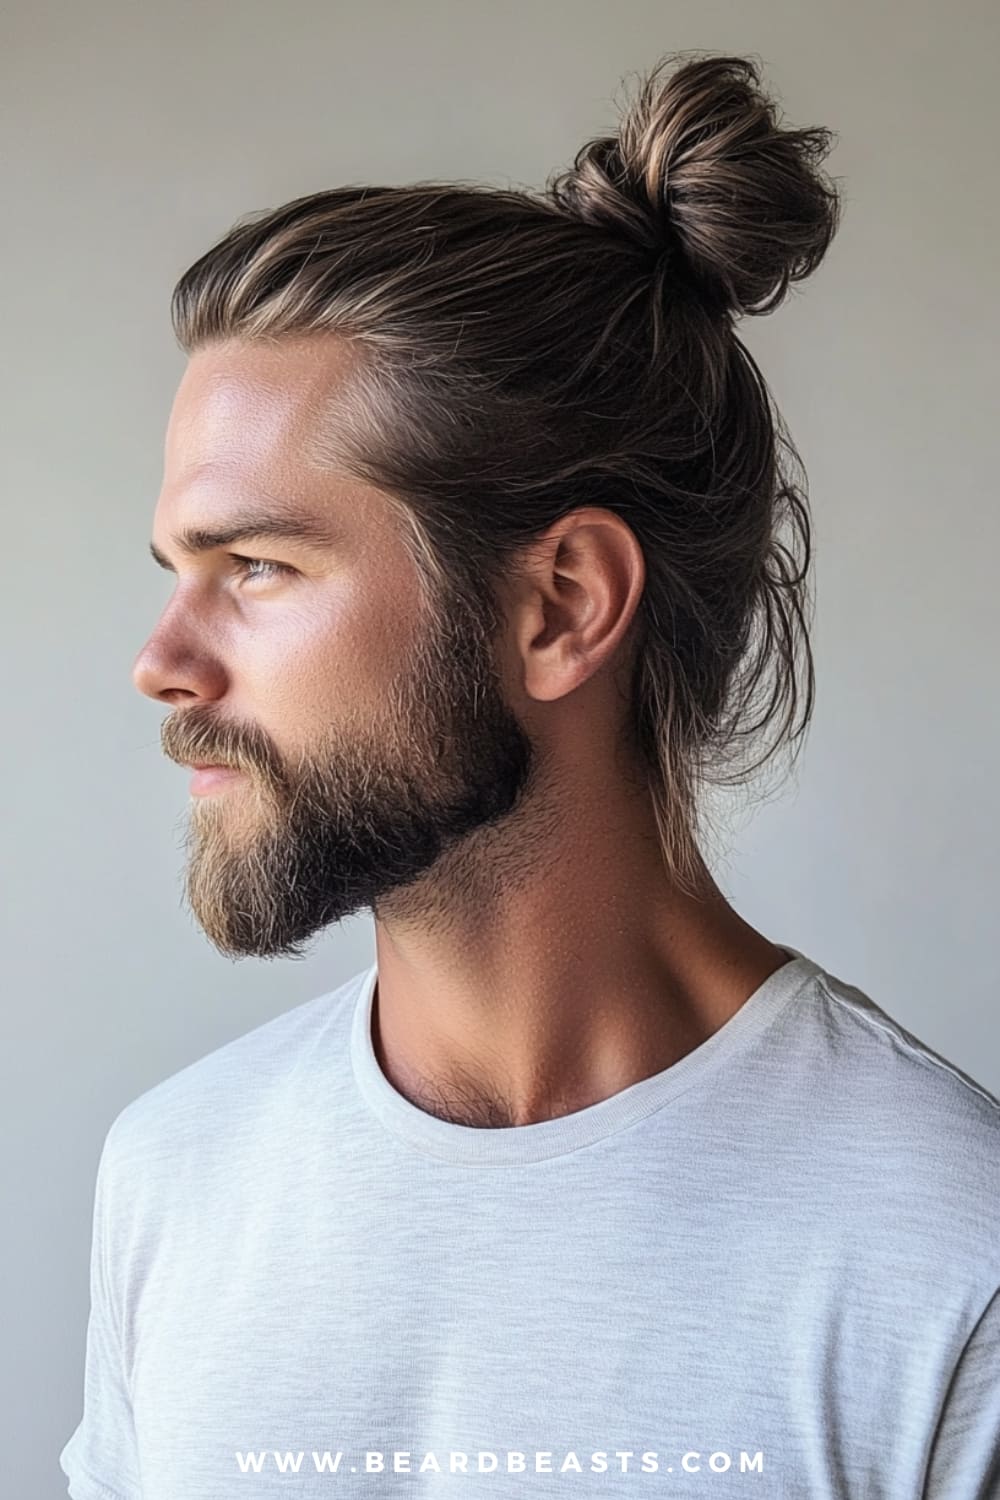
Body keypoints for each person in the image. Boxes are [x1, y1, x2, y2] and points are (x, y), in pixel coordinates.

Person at [60, 50, 999, 1499]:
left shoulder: (948, 1254)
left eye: (256, 565)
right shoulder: (175, 1181)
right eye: (180, 571)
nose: (163, 662)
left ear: (559, 604)